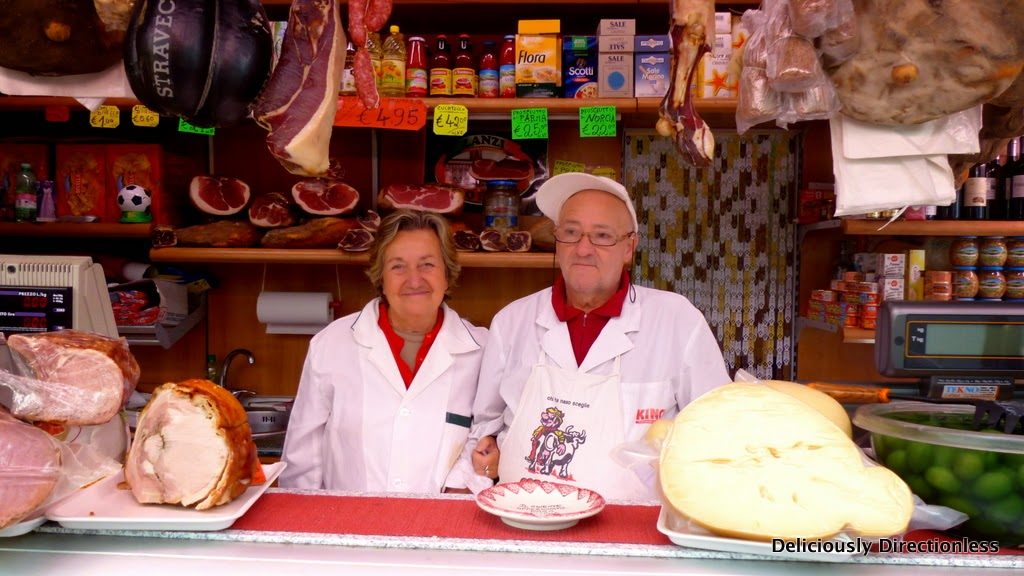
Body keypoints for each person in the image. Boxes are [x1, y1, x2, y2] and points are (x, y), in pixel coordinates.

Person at [454, 173, 732, 499]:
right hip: (521, 517)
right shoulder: (512, 322)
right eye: (571, 233)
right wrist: (484, 459)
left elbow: (717, 430)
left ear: (629, 247)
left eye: (602, 236)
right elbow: (485, 427)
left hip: (633, 524)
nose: (583, 249)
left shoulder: (677, 320)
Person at [280, 209, 495, 493]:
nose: (414, 280)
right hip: (347, 519)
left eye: (427, 264)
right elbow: (302, 457)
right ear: (380, 276)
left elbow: (489, 439)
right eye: (398, 266)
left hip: (443, 518)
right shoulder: (332, 344)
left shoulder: (483, 350)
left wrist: (465, 480)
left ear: (447, 273)